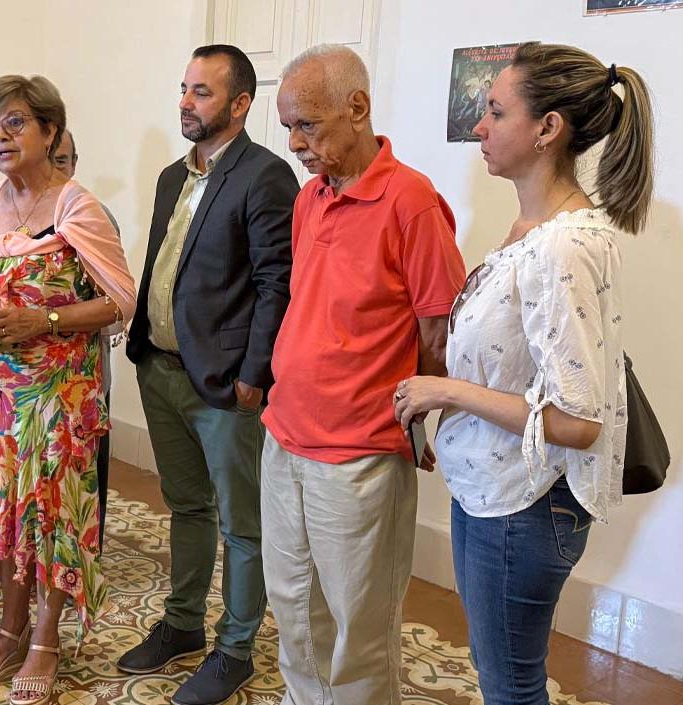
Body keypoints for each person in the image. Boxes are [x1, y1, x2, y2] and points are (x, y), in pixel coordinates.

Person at [394, 42, 651, 705]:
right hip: (498, 491)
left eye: (495, 111)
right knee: (504, 675)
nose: (478, 128)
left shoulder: (559, 245)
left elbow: (577, 420)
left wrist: (444, 389)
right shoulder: (533, 227)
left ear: (546, 129)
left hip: (522, 506)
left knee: (510, 686)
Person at [262, 44, 466, 705]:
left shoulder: (409, 200)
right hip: (285, 437)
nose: (293, 142)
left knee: (356, 628)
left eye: (307, 125)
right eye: (287, 125)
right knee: (293, 609)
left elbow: (441, 331)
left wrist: (411, 413)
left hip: (356, 453)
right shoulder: (310, 199)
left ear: (358, 108)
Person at [0, 74, 135, 705]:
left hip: (58, 393)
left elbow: (119, 301)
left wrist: (43, 319)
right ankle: (8, 627)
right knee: (4, 512)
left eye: (15, 123)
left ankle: (45, 635)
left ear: (51, 131)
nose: (0, 136)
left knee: (50, 513)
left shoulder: (78, 208)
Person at [120, 44, 297, 705]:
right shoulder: (174, 175)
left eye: (200, 92)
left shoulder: (265, 176)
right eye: (183, 89)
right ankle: (182, 621)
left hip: (225, 383)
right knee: (185, 506)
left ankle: (235, 649)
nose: (184, 102)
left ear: (239, 103)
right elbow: (167, 263)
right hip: (159, 367)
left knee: (240, 523)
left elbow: (275, 282)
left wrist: (256, 371)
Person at [51, 129, 118, 553]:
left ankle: (82, 553)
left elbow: (115, 304)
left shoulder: (95, 216)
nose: (56, 169)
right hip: (21, 385)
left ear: (75, 163)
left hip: (80, 378)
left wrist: (50, 320)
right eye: (49, 159)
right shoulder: (0, 212)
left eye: (63, 160)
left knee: (83, 478)